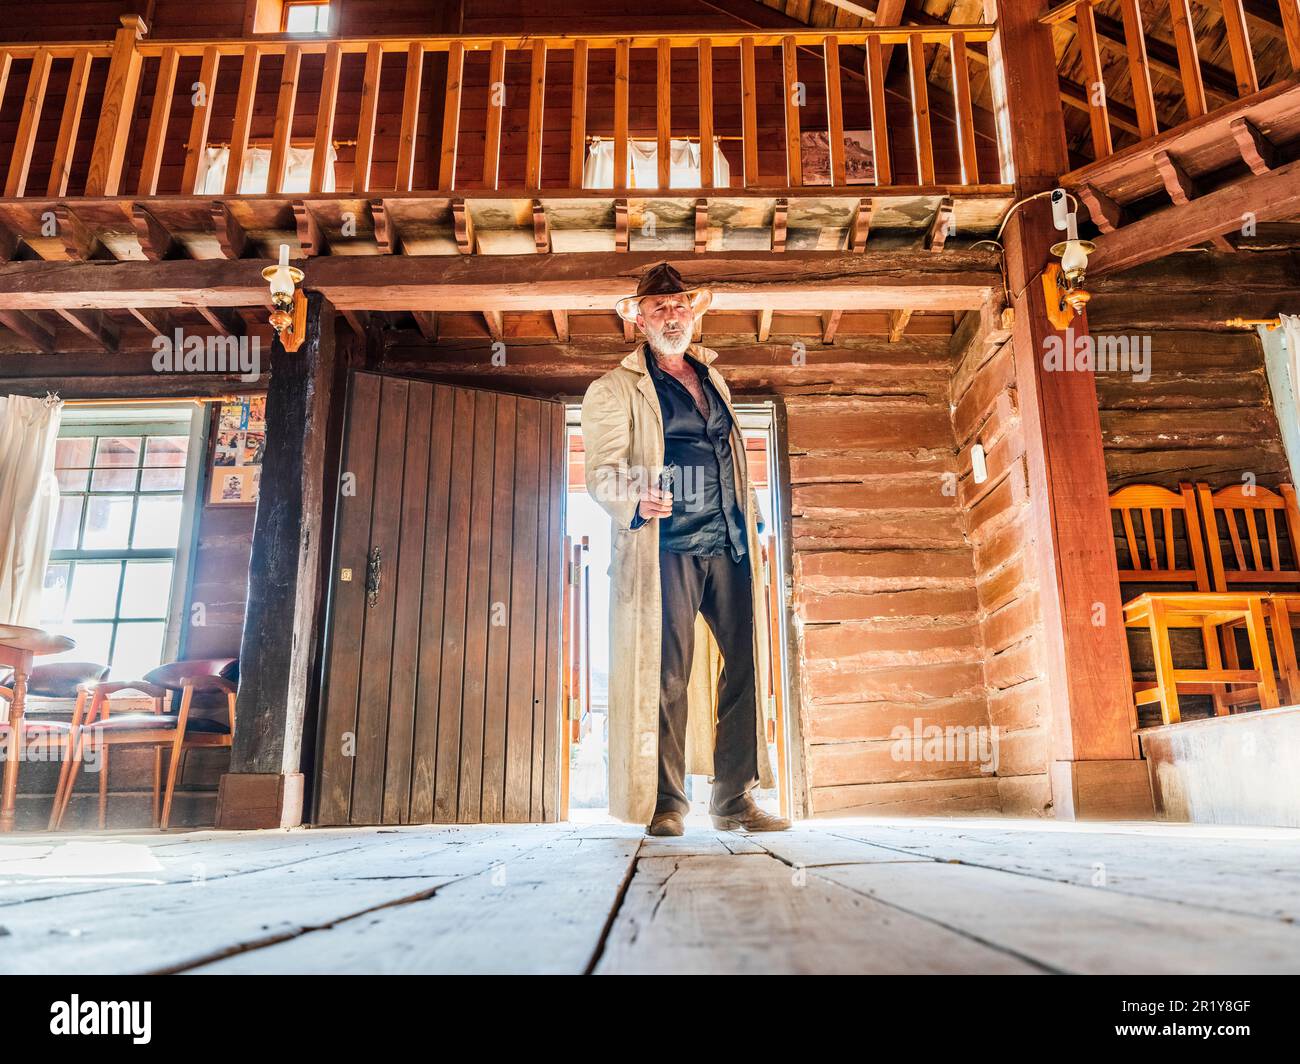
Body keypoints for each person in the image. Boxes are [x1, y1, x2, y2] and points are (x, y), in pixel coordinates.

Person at [581, 263, 791, 836]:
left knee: (746, 663)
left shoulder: (713, 380)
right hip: (664, 544)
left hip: (729, 540)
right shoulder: (615, 388)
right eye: (658, 308)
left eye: (679, 306)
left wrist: (751, 520)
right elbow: (601, 471)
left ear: (692, 313)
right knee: (667, 671)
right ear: (640, 321)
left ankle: (733, 800)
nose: (671, 316)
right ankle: (667, 804)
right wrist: (634, 496)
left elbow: (733, 461)